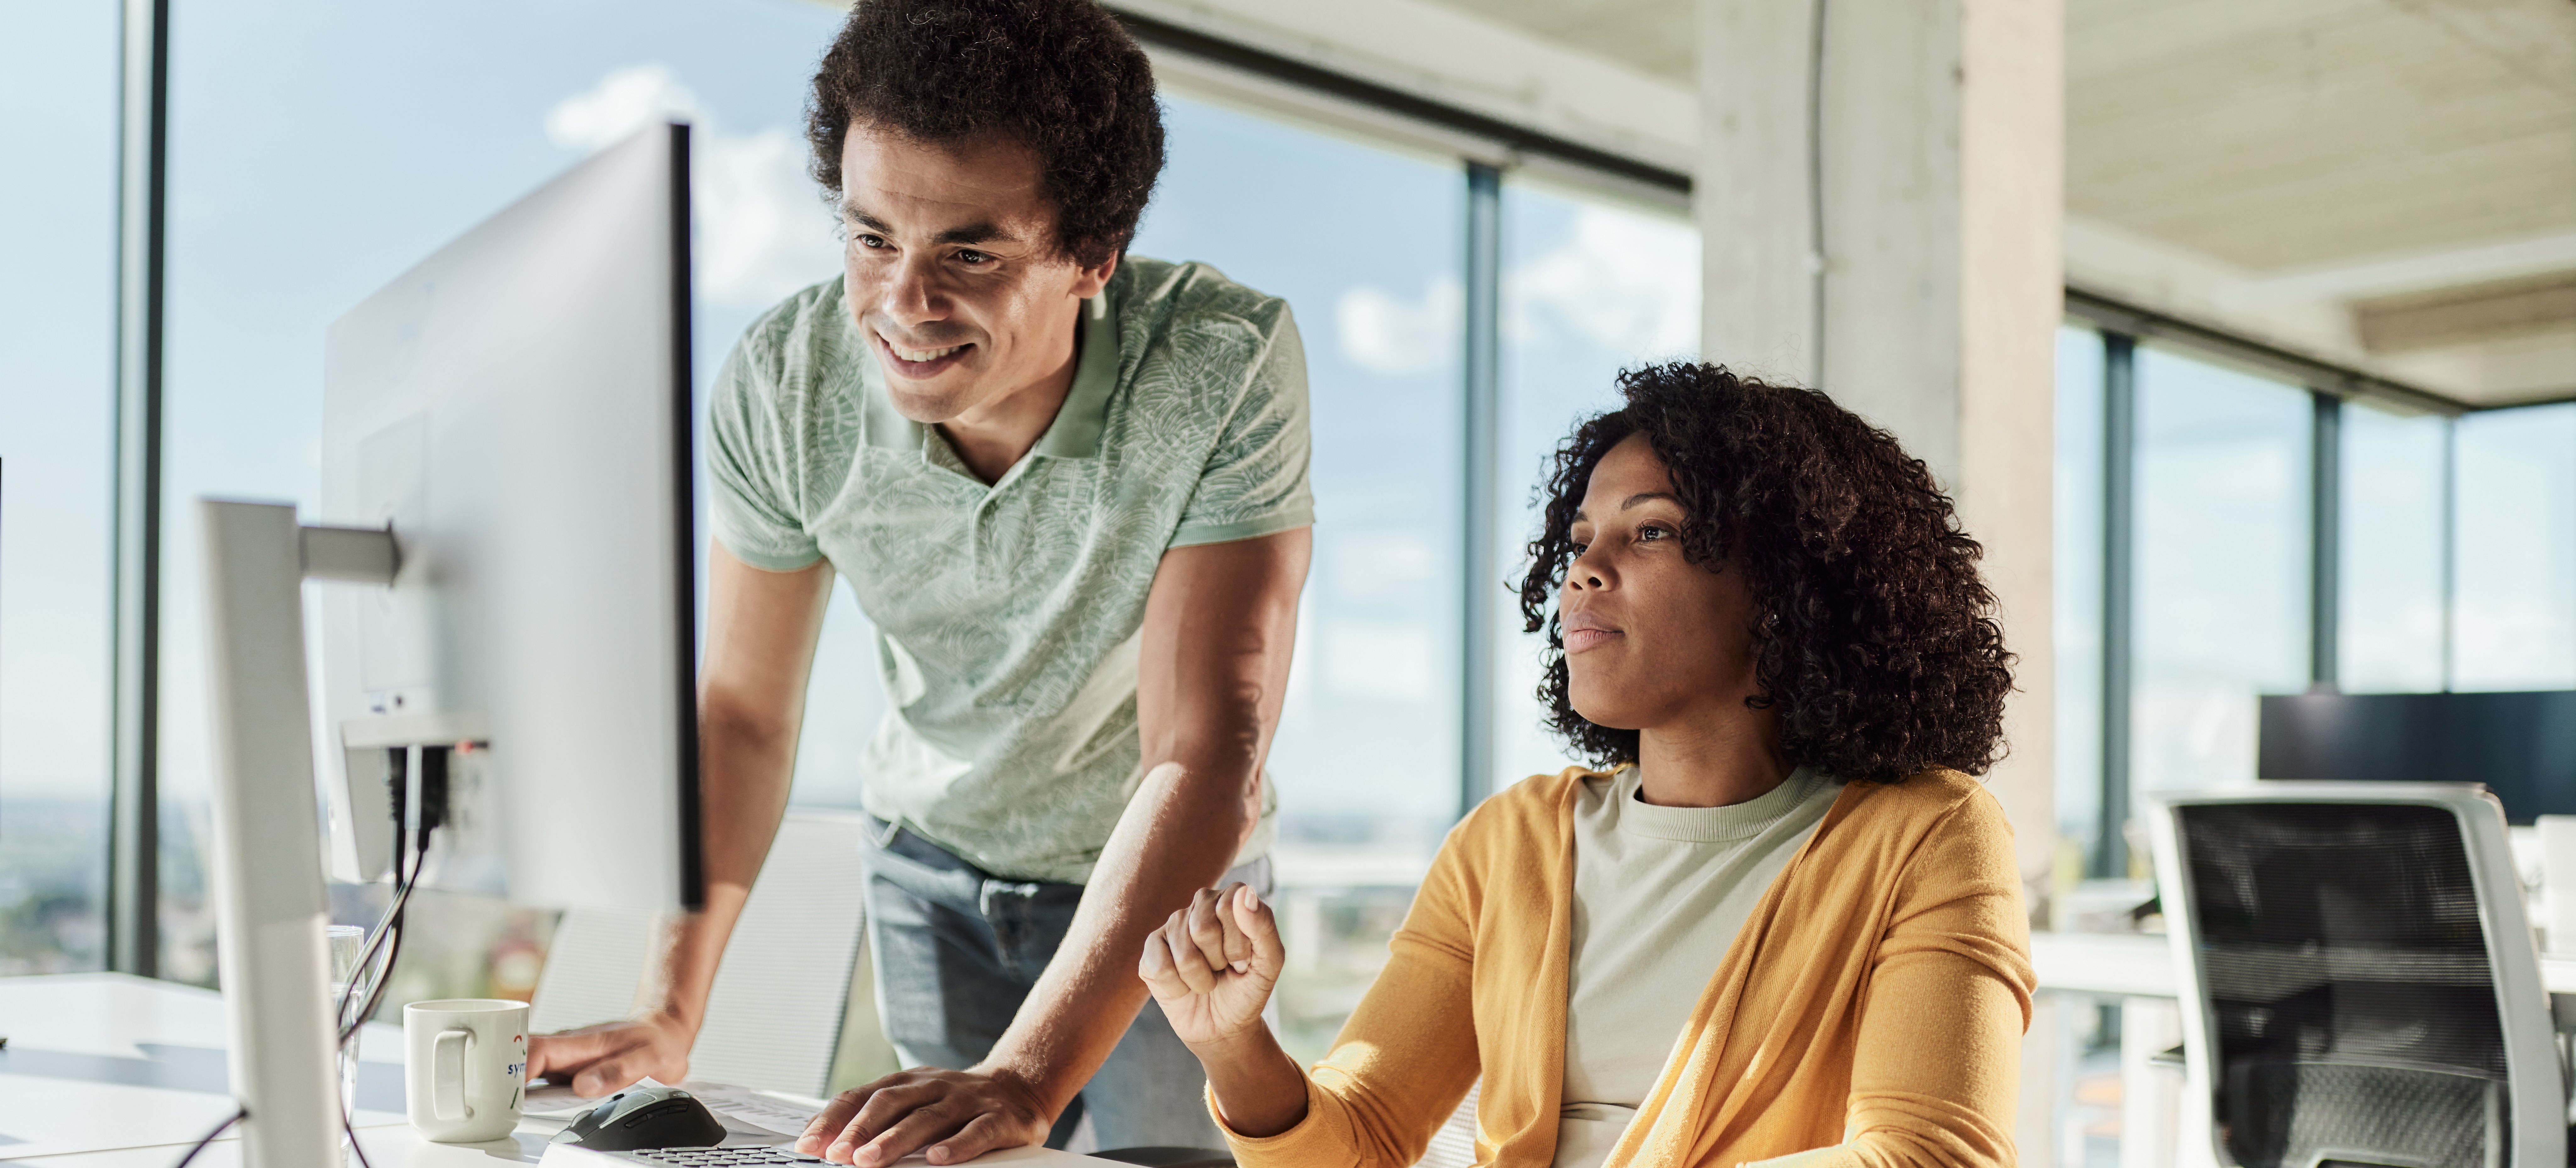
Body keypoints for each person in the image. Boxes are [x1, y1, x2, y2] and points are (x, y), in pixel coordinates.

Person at [527, 1, 1314, 1163]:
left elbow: (1207, 743)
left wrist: (1027, 1074)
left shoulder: (1219, 362)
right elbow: (742, 714)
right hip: (930, 866)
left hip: (1162, 887)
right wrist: (671, 1006)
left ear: (1092, 255)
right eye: (870, 238)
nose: (902, 303)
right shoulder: (787, 385)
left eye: (971, 254)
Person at [1140, 364, 2035, 1168]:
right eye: (1578, 541)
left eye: (1650, 532)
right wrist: (1236, 1048)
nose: (1583, 572)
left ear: (1787, 585)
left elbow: (1932, 1154)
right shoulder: (1507, 843)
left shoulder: (1928, 833)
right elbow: (1364, 1140)